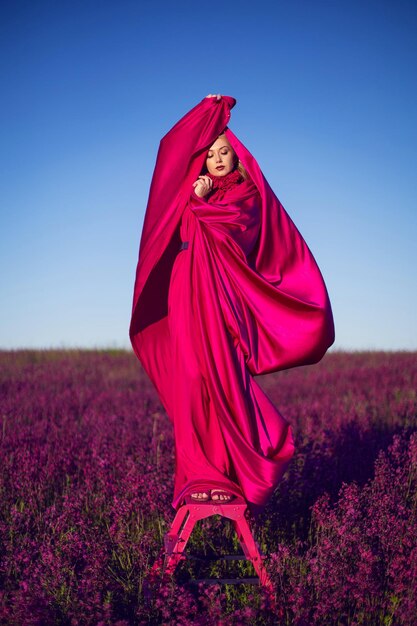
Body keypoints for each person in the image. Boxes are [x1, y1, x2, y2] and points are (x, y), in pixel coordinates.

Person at [129, 95, 335, 512]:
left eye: (226, 152)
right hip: (185, 292)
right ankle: (199, 475)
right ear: (202, 159)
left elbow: (232, 233)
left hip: (218, 301)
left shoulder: (244, 194)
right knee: (189, 382)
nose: (219, 159)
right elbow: (169, 149)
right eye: (211, 153)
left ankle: (241, 465)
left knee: (222, 378)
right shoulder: (188, 192)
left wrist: (202, 202)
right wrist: (205, 111)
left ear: (236, 157)